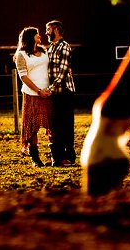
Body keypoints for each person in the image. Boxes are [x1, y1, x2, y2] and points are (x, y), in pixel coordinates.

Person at [13, 26, 51, 167]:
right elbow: (23, 77)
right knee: (32, 126)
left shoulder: (43, 51)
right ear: (30, 37)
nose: (40, 36)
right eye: (37, 35)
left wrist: (48, 89)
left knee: (52, 125)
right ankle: (35, 158)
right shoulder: (21, 55)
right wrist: (38, 90)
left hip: (48, 94)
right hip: (32, 94)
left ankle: (55, 156)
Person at [44, 19, 76, 167]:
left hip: (64, 92)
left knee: (66, 125)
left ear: (56, 30)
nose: (46, 32)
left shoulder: (64, 47)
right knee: (55, 126)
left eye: (48, 29)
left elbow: (62, 72)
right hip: (54, 93)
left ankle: (69, 156)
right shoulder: (50, 48)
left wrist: (50, 88)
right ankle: (58, 155)